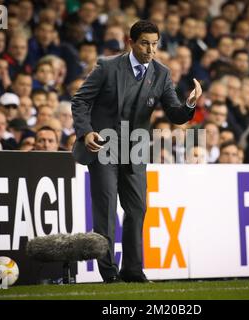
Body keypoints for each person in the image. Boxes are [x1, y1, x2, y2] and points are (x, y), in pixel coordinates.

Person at [71, 20, 202, 283]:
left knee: (137, 209)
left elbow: (175, 113)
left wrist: (189, 102)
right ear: (130, 42)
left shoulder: (162, 73)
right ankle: (109, 273)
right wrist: (86, 133)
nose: (150, 49)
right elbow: (81, 100)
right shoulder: (107, 67)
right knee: (106, 212)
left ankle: (133, 270)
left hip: (136, 151)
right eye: (145, 43)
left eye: (155, 44)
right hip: (103, 147)